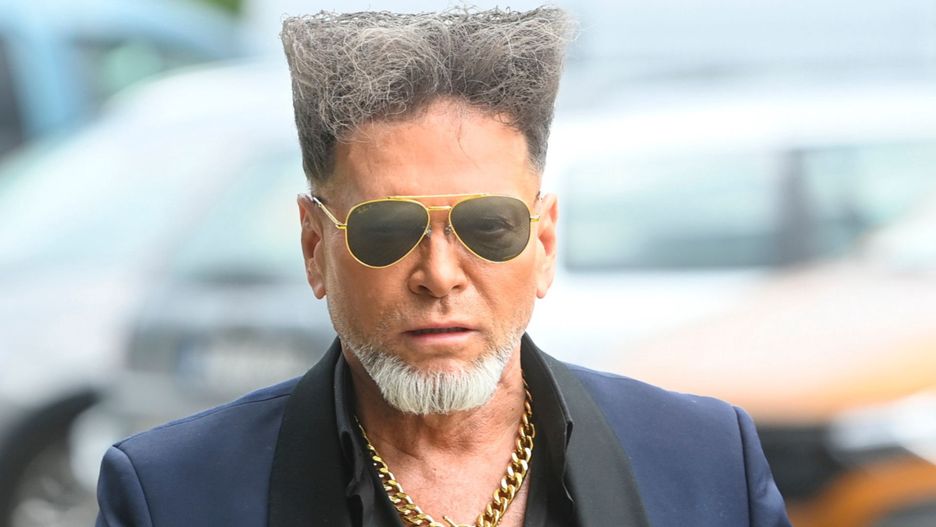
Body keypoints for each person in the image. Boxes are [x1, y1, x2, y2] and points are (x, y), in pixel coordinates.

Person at [95, 7, 791, 527]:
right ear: (314, 247)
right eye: (387, 229)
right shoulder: (172, 496)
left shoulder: (707, 463)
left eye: (488, 226)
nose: (440, 274)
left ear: (544, 241)